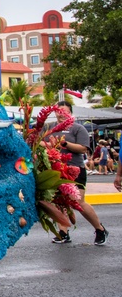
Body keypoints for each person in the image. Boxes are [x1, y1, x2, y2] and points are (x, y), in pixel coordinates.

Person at [49, 102, 108, 246]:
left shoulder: (78, 128)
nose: (60, 113)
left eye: (64, 110)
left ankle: (100, 229)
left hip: (75, 169)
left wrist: (65, 144)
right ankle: (63, 232)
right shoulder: (50, 128)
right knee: (59, 201)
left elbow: (83, 149)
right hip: (56, 170)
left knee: (77, 202)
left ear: (70, 112)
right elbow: (44, 144)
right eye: (58, 110)